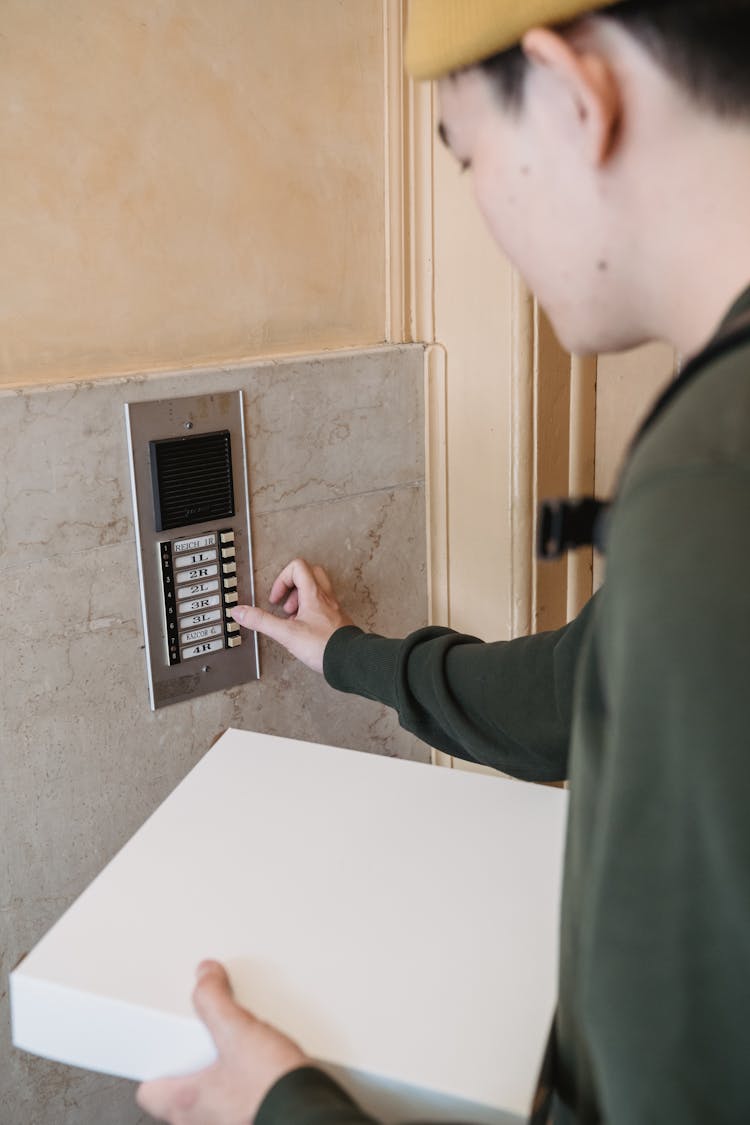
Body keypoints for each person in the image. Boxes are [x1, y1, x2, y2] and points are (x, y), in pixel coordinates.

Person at [137, 1, 750, 1122]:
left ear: (575, 93)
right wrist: (354, 657)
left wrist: (289, 1109)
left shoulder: (715, 484)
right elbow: (584, 689)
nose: (485, 212)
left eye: (468, 154)